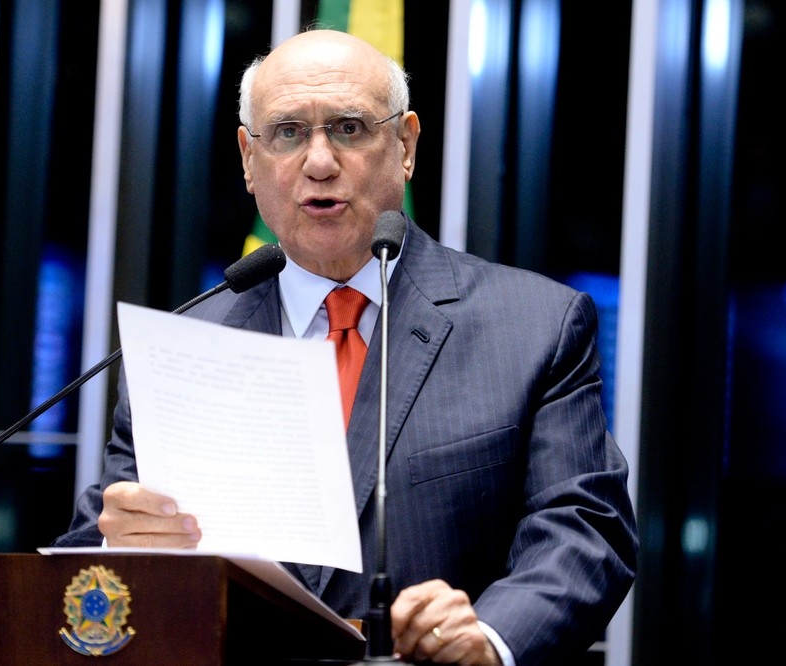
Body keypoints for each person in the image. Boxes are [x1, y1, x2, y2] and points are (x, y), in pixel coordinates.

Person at [54, 29, 638, 666]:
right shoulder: (186, 346)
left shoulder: (533, 326)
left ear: (406, 146)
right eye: (287, 133)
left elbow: (585, 529)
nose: (319, 161)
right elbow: (93, 559)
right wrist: (119, 548)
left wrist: (489, 638)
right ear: (249, 159)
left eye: (351, 128)